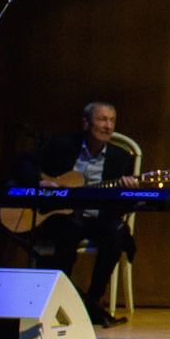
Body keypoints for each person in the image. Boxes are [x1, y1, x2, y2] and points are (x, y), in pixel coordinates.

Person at [18, 101, 144, 326]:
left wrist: (128, 193)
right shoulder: (62, 145)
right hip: (61, 217)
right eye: (102, 119)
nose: (108, 126)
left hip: (98, 219)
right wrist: (40, 182)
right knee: (69, 225)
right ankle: (61, 300)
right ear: (86, 123)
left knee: (118, 230)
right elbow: (23, 162)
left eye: (112, 121)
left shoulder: (122, 158)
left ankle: (93, 301)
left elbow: (122, 208)